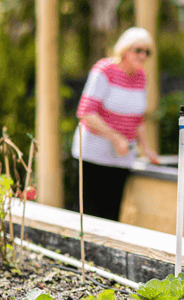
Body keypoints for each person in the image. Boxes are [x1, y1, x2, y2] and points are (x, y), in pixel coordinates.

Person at [71, 27, 160, 221]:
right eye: (138, 50)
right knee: (90, 217)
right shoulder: (104, 70)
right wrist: (116, 137)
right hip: (93, 155)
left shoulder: (140, 77)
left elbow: (138, 119)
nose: (143, 55)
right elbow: (86, 112)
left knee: (112, 216)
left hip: (121, 158)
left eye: (147, 52)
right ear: (125, 49)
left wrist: (146, 148)